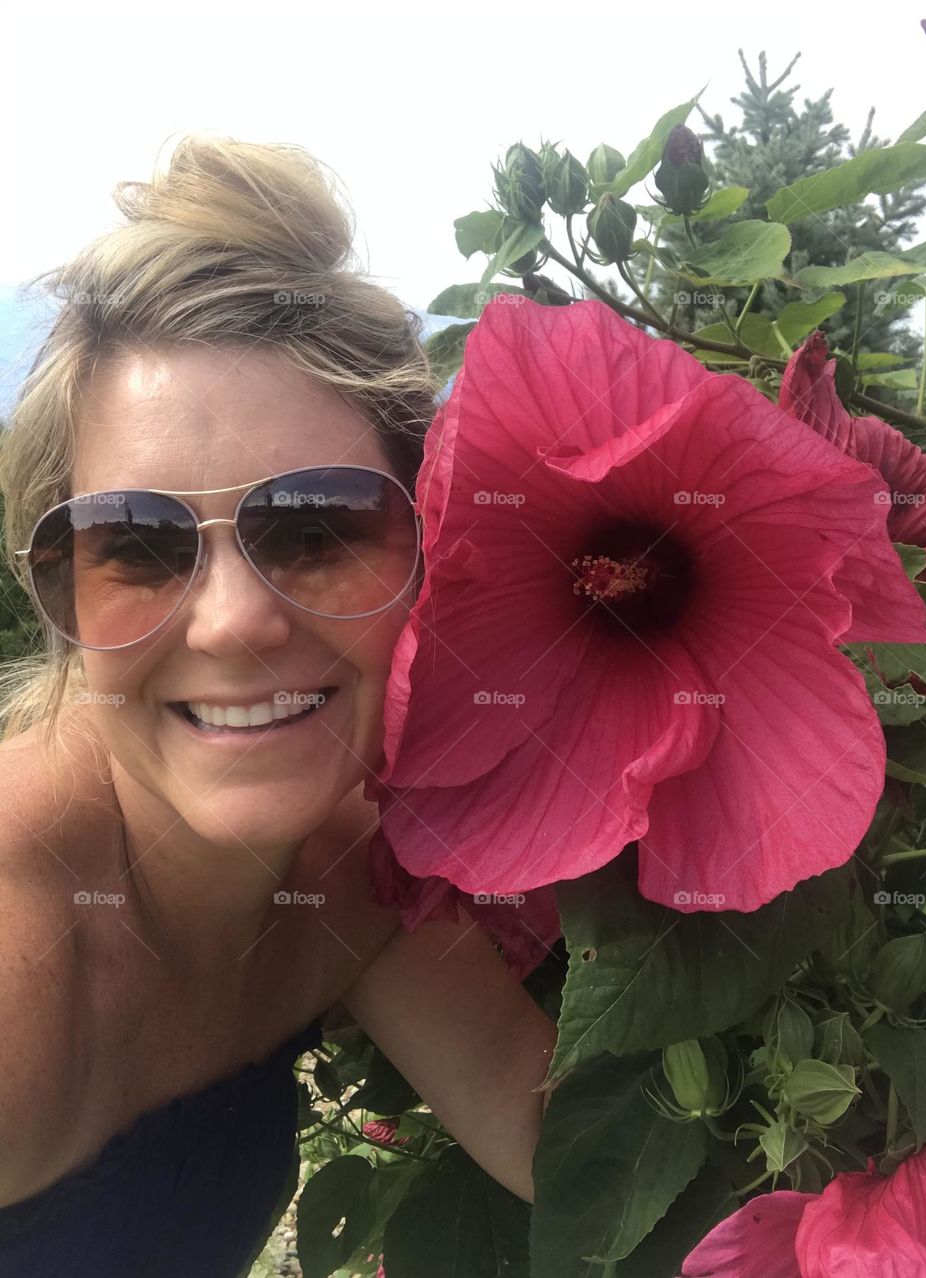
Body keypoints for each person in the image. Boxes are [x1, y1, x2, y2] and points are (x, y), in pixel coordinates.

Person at [0, 134, 559, 1277]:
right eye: (139, 549)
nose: (231, 624)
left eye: (316, 530)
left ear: (432, 544)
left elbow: (567, 1144)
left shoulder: (349, 863)